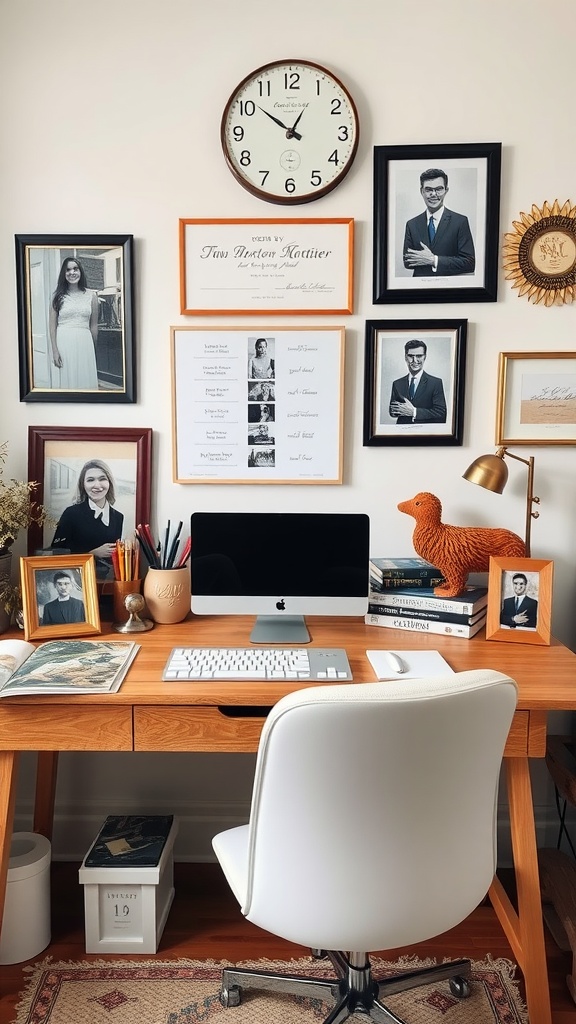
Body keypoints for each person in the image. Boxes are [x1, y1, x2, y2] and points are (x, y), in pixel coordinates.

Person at [51, 459, 124, 577]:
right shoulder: (71, 514)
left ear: (109, 482)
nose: (97, 485)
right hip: (77, 582)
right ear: (83, 485)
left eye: (102, 479)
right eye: (90, 480)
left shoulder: (118, 517)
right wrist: (93, 554)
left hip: (105, 584)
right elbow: (57, 553)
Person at [403, 168, 475, 277]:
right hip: (419, 290)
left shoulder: (460, 221)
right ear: (421, 191)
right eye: (428, 190)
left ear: (446, 190)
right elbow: (407, 261)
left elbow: (469, 263)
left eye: (439, 189)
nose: (433, 194)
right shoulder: (412, 224)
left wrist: (434, 260)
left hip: (450, 290)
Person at [48, 257, 99, 389]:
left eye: (75, 269)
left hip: (85, 343)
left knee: (85, 379)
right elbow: (52, 326)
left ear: (80, 272)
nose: (72, 273)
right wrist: (54, 350)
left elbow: (93, 326)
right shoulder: (57, 296)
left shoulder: (92, 295)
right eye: (68, 270)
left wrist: (93, 348)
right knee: (67, 380)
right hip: (64, 342)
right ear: (64, 274)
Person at [389, 339, 447, 423]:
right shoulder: (397, 383)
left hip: (425, 433)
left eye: (419, 356)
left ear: (425, 357)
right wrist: (398, 410)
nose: (415, 360)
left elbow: (441, 413)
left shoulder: (435, 383)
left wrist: (414, 412)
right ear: (406, 357)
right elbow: (392, 411)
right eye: (410, 356)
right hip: (402, 433)